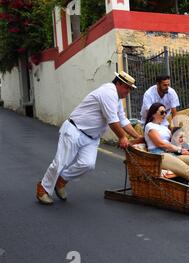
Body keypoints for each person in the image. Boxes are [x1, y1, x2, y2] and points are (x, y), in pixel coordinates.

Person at [36, 72, 143, 205]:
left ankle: (61, 181)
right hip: (74, 130)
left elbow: (122, 119)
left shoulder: (116, 98)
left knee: (87, 164)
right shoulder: (108, 92)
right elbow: (112, 120)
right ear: (119, 83)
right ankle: (43, 188)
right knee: (61, 162)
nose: (129, 92)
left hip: (91, 137)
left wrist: (138, 137)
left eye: (131, 89)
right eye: (127, 88)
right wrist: (122, 137)